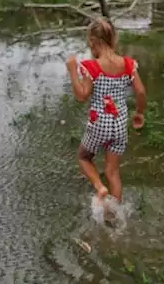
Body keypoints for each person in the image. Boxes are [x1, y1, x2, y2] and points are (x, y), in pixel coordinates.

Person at [65, 18, 146, 204]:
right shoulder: (128, 64)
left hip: (99, 124)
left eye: (90, 44)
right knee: (113, 171)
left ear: (94, 42)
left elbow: (81, 96)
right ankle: (114, 215)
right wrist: (139, 113)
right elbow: (141, 91)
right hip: (119, 126)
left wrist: (72, 71)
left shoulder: (91, 66)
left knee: (84, 157)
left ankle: (100, 187)